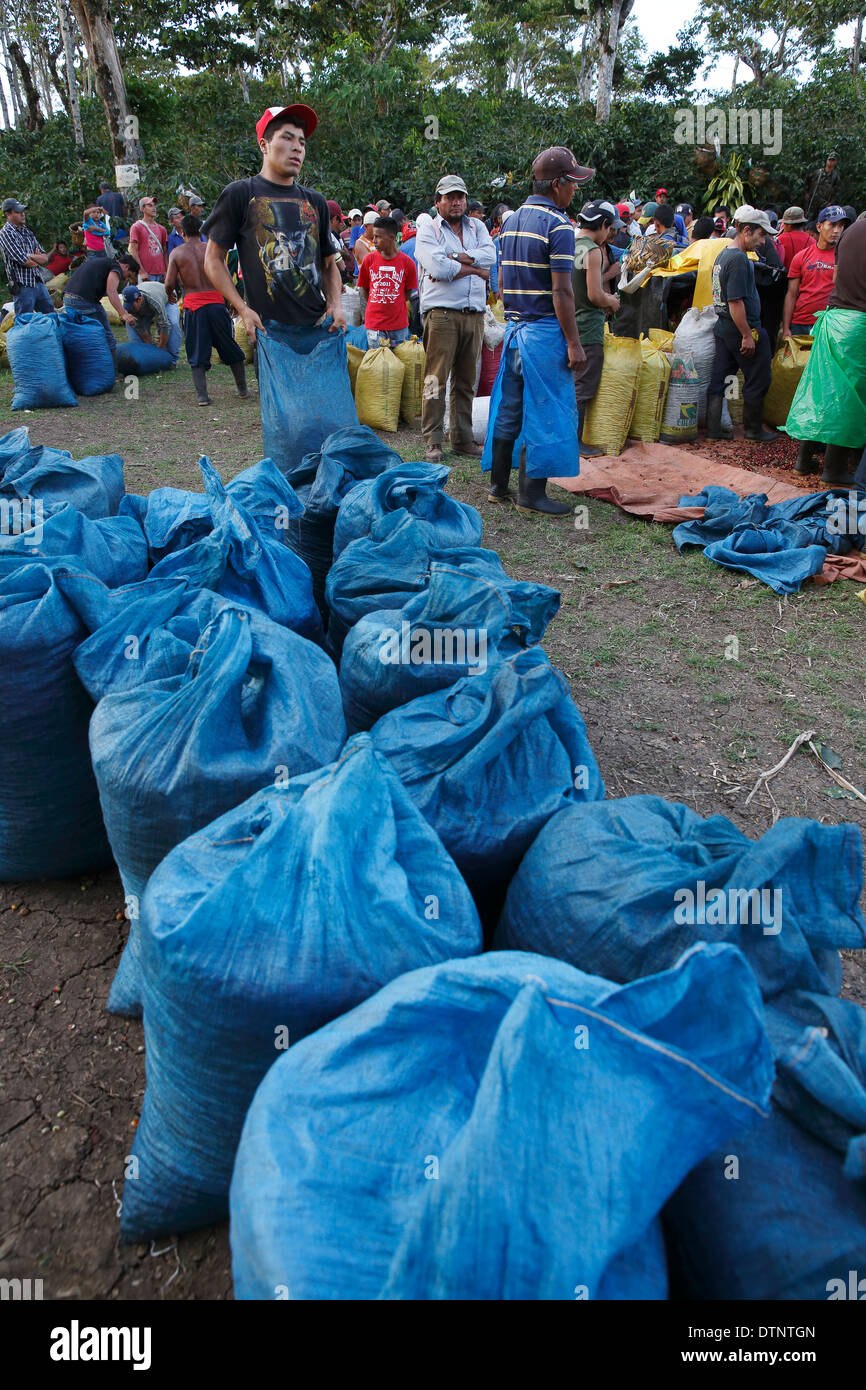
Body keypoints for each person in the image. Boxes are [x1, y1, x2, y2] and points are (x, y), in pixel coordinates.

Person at [202, 101, 346, 438]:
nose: (297, 147)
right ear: (264, 145)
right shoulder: (241, 195)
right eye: (287, 138)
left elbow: (329, 264)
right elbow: (213, 260)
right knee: (287, 426)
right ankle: (292, 485)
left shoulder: (315, 201)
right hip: (272, 334)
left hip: (318, 330)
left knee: (326, 422)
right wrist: (242, 309)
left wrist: (336, 305)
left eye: (302, 142)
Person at [483, 145, 592, 513]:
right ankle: (531, 495)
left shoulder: (510, 221)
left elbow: (500, 281)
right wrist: (575, 343)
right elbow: (562, 291)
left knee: (510, 409)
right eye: (573, 184)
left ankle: (499, 486)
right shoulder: (559, 225)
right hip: (544, 334)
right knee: (545, 410)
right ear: (557, 184)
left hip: (515, 332)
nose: (575, 190)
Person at [414, 173, 496, 462]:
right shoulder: (428, 230)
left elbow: (491, 256)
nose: (456, 202)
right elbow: (439, 267)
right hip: (442, 315)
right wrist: (475, 268)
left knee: (466, 381)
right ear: (438, 202)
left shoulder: (478, 227)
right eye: (449, 197)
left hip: (474, 315)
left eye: (460, 196)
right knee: (435, 378)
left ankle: (462, 439)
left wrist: (457, 258)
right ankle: (433, 440)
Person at [787, 215, 866, 483]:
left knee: (823, 390)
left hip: (833, 319)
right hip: (857, 324)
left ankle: (803, 461)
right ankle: (834, 469)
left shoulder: (851, 233)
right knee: (849, 397)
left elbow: (835, 276)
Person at [706, 205, 780, 443]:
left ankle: (714, 429)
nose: (763, 241)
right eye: (761, 235)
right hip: (740, 328)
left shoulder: (723, 254)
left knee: (723, 377)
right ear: (746, 231)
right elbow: (735, 302)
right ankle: (752, 430)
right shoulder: (738, 259)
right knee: (758, 377)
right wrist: (747, 335)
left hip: (723, 328)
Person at [165, 213, 248, 405]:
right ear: (201, 230)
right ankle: (242, 389)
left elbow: (169, 282)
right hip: (217, 302)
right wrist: (232, 302)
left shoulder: (177, 253)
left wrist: (170, 294)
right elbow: (226, 277)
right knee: (229, 346)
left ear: (182, 232)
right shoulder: (212, 251)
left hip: (195, 306)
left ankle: (202, 396)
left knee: (196, 350)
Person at [571, 200, 622, 457]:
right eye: (610, 229)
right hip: (589, 328)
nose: (609, 234)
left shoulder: (569, 245)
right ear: (603, 225)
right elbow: (594, 295)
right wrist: (611, 301)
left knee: (570, 383)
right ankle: (576, 442)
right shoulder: (592, 251)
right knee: (583, 387)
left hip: (568, 325)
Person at [63, 250, 139, 366]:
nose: (126, 280)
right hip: (83, 301)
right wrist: (124, 314)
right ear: (126, 266)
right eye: (128, 276)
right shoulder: (116, 268)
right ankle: (113, 372)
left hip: (68, 298)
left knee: (79, 336)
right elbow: (111, 291)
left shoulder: (104, 263)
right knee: (106, 335)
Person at [781, 205, 844, 339]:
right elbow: (791, 294)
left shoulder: (845, 258)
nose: (836, 230)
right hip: (800, 324)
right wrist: (786, 328)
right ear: (819, 226)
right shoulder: (802, 256)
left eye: (840, 226)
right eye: (832, 225)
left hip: (831, 324)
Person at [356, 215, 418, 348]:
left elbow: (407, 293)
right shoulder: (369, 260)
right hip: (375, 325)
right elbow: (365, 289)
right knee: (378, 366)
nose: (374, 240)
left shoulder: (408, 263)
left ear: (391, 238)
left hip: (399, 325)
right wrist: (377, 305)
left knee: (399, 365)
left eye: (378, 236)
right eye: (373, 236)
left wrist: (393, 301)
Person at [0, 198, 54, 314]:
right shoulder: (6, 233)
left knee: (51, 315)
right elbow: (25, 261)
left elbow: (45, 258)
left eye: (22, 211)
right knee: (24, 321)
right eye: (18, 211)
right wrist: (33, 257)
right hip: (22, 285)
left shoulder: (27, 231)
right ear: (8, 214)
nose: (22, 214)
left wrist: (30, 255)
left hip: (38, 281)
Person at [122, 281, 178, 360]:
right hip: (146, 306)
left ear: (139, 299)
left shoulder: (154, 301)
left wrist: (159, 350)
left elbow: (165, 326)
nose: (130, 308)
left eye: (132, 306)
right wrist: (151, 347)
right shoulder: (130, 305)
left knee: (173, 323)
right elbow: (141, 329)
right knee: (131, 324)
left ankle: (172, 359)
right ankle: (142, 357)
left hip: (168, 297)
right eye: (128, 306)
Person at [129, 196, 168, 281]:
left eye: (154, 205)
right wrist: (142, 271)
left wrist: (166, 271)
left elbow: (165, 252)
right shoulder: (137, 227)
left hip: (161, 273)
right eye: (150, 205)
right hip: (146, 273)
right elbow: (133, 251)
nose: (153, 208)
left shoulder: (162, 229)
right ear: (143, 209)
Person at [803, 151, 841, 220]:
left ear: (836, 162)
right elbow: (807, 181)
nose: (830, 162)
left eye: (833, 160)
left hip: (824, 205)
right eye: (829, 160)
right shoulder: (818, 173)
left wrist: (831, 204)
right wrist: (806, 193)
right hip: (812, 204)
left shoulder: (835, 177)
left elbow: (837, 192)